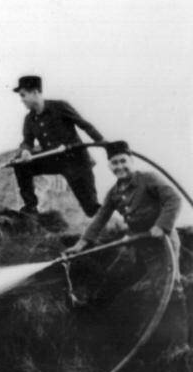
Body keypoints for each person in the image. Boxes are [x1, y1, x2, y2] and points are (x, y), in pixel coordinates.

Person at [64, 141, 185, 337]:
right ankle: (90, 313)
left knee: (168, 288)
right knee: (116, 277)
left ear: (132, 161)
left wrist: (161, 226)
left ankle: (179, 343)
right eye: (114, 163)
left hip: (162, 245)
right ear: (109, 166)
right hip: (138, 243)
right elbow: (100, 218)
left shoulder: (148, 179)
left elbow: (174, 200)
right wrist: (80, 244)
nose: (119, 166)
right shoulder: (114, 191)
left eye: (123, 161)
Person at [11, 76, 104, 216]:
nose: (21, 99)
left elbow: (84, 125)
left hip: (76, 162)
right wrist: (25, 151)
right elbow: (27, 141)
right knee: (20, 164)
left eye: (23, 95)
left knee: (91, 209)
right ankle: (30, 207)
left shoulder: (59, 107)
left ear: (35, 92)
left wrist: (103, 142)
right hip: (53, 161)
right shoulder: (29, 119)